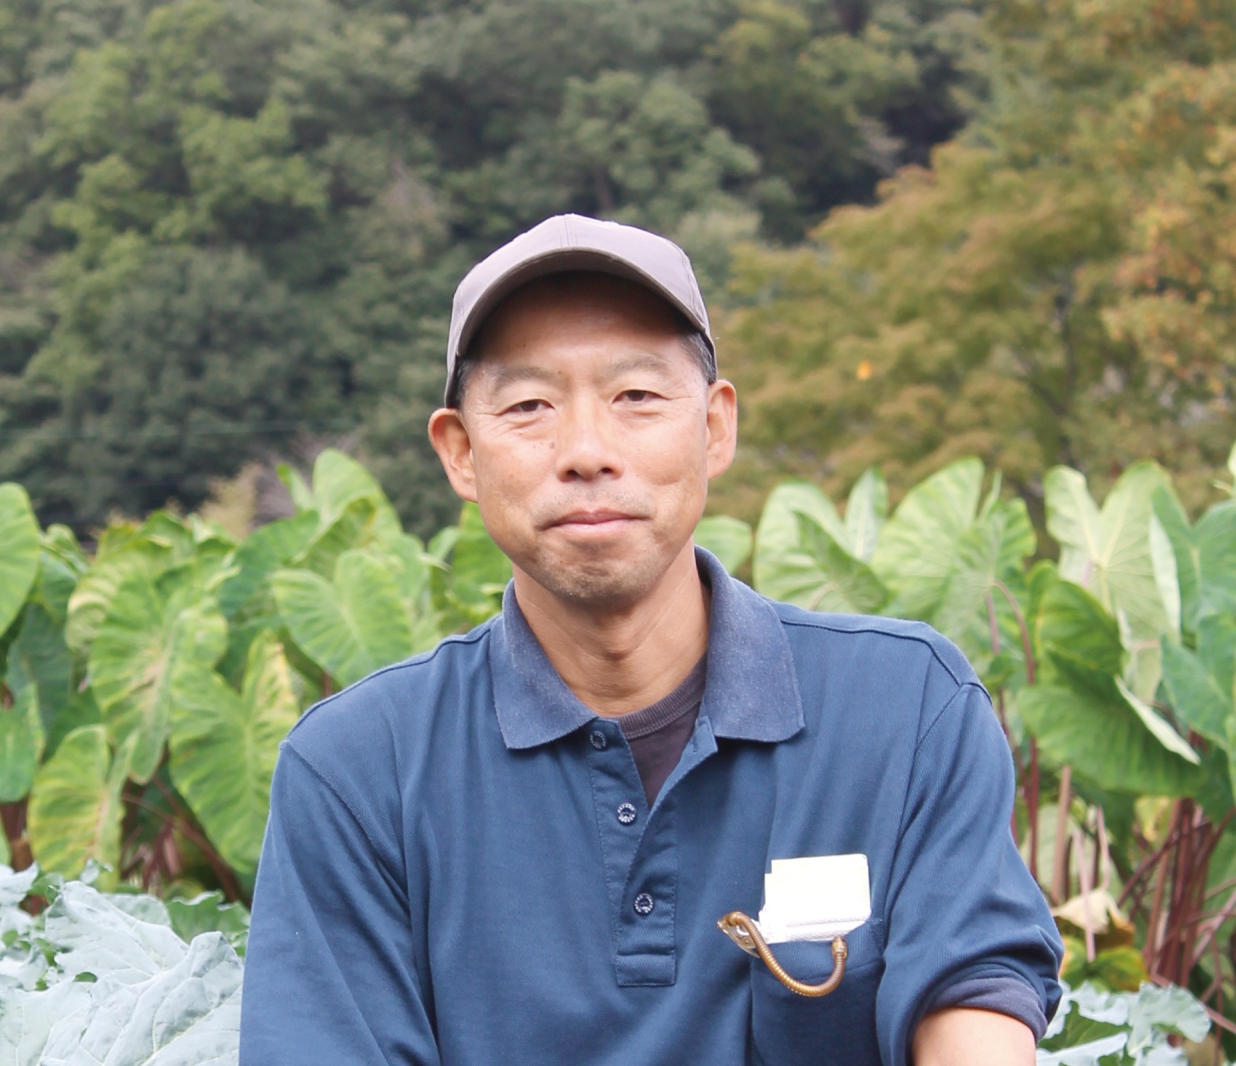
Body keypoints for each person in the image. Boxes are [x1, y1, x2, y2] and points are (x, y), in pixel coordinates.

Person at [239, 214, 1062, 1065]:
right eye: (529, 406)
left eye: (637, 397)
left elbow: (976, 1000)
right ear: (460, 453)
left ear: (714, 428)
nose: (587, 451)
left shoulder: (907, 710)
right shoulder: (358, 770)